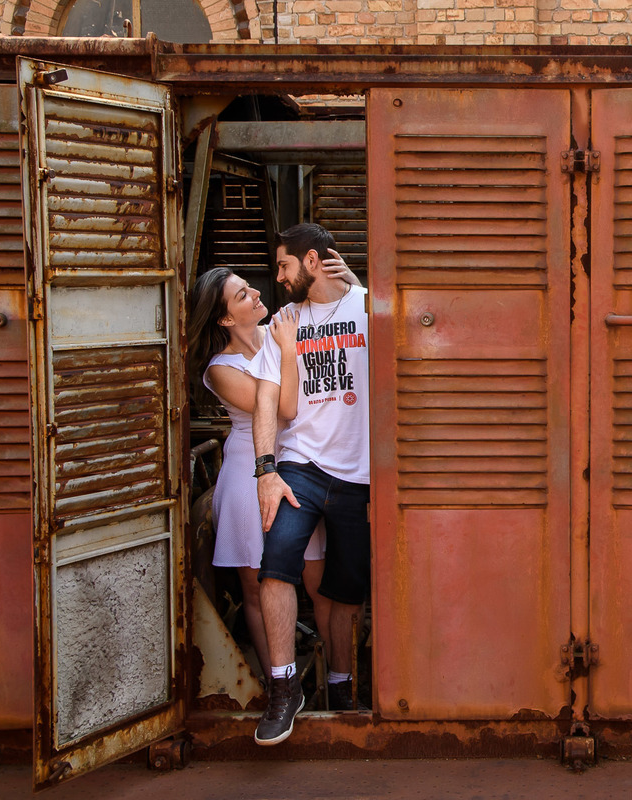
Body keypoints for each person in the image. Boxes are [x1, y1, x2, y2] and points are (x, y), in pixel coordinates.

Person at [187, 260, 356, 682]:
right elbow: (284, 408)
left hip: (299, 464)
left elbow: (340, 317)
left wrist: (351, 282)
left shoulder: (280, 326)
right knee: (257, 587)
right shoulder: (220, 369)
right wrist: (287, 351)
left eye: (250, 286)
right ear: (226, 318)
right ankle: (278, 684)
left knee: (317, 580)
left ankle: (339, 677)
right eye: (243, 294)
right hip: (250, 474)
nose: (258, 293)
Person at [252, 223, 371, 745]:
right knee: (276, 564)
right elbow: (266, 400)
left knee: (346, 589)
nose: (278, 277)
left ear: (313, 261)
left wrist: (361, 288)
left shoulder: (367, 308)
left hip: (360, 473)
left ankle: (342, 687)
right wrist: (266, 470)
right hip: (300, 464)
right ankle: (284, 689)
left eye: (284, 265)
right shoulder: (284, 322)